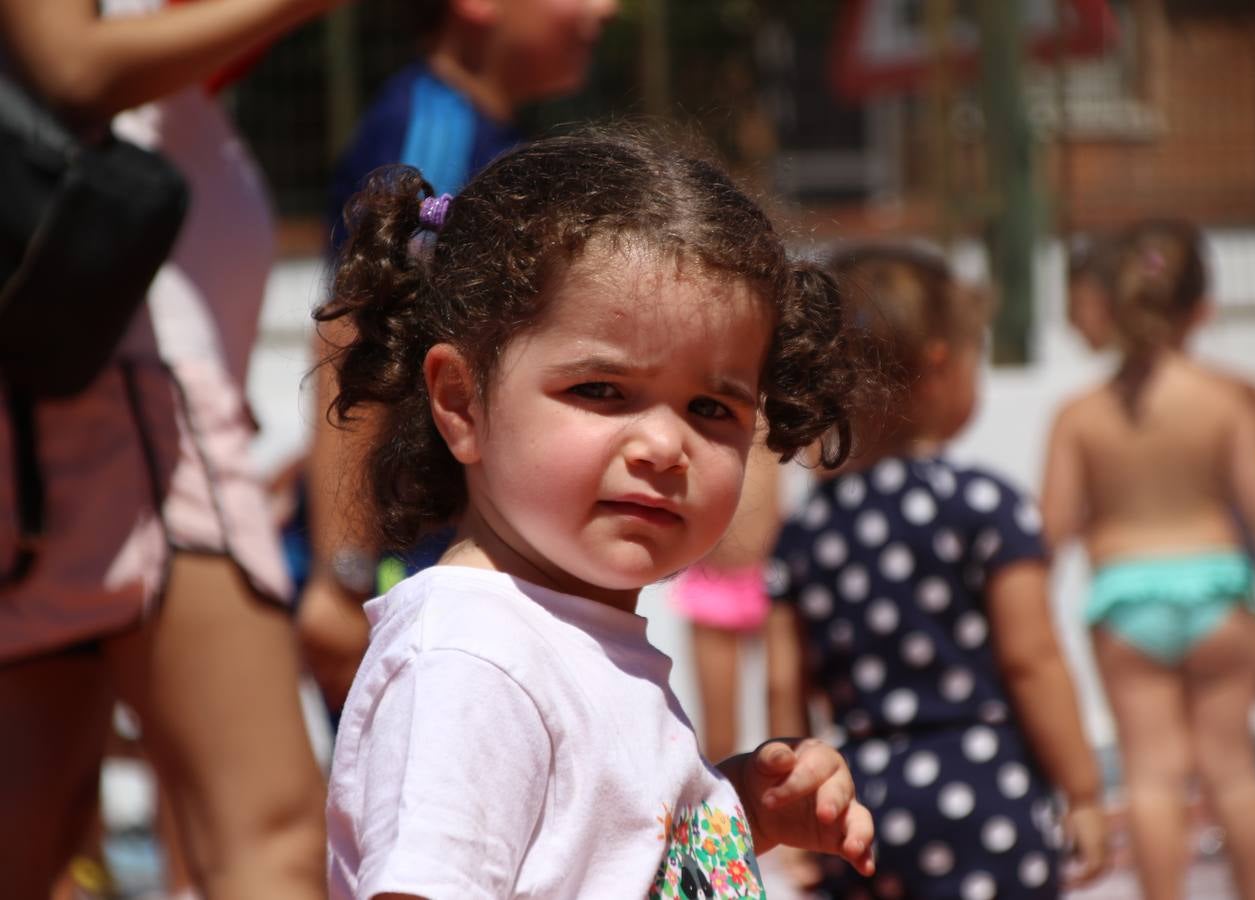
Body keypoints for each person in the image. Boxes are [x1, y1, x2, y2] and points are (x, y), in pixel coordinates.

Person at [321, 130, 878, 897]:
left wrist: (733, 810)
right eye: (600, 390)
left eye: (711, 407)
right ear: (462, 402)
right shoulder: (471, 664)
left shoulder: (562, 639)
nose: (662, 445)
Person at [0, 1, 344, 897]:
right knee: (267, 838)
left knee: (33, 844)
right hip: (130, 405)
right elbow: (72, 69)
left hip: (83, 400)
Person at [298, 0, 617, 714]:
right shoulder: (432, 131)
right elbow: (356, 337)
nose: (606, 8)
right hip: (398, 571)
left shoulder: (491, 130)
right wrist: (341, 576)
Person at [765, 243, 1108, 900]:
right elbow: (1032, 659)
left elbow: (786, 682)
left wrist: (794, 815)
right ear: (941, 365)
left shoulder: (805, 532)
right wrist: (1085, 792)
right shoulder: (985, 504)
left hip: (858, 801)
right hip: (984, 792)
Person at [1043, 219, 1255, 900]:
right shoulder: (1222, 402)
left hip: (1124, 599)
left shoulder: (1079, 415)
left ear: (1110, 308)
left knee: (1149, 778)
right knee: (1234, 775)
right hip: (1216, 593)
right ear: (1195, 306)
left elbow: (1048, 530)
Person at [1066, 230, 1255, 763]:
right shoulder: (1231, 399)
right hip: (1217, 583)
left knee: (1174, 753)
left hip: (1157, 585)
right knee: (1238, 745)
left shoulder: (1092, 410)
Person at [670, 424, 781, 763]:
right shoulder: (713, 394)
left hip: (775, 580)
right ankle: (724, 810)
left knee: (786, 722)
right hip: (712, 579)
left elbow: (827, 463)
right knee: (718, 737)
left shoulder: (782, 397)